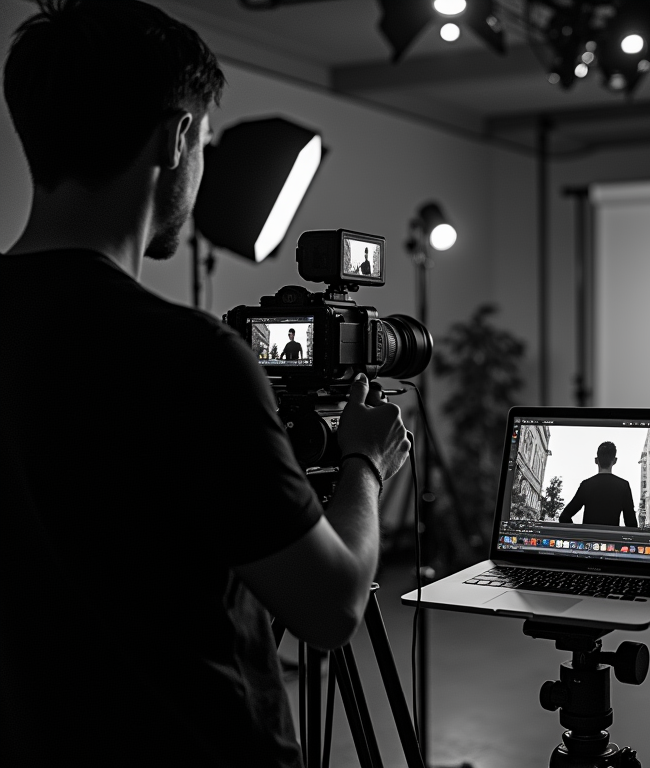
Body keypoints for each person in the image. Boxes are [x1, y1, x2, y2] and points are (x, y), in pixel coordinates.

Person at [0, 3, 410, 766]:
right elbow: (330, 607)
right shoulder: (188, 355)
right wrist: (364, 463)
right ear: (178, 135)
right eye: (207, 141)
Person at [559, 442, 638, 527]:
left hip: (589, 538)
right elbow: (631, 524)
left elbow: (564, 517)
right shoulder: (623, 486)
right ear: (615, 461)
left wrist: (581, 534)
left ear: (596, 460)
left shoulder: (586, 485)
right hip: (611, 539)